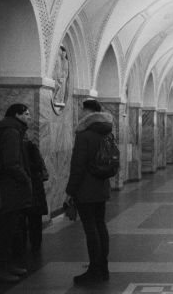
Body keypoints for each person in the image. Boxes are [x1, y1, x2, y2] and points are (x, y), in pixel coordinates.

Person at [65, 99, 113, 285]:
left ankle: (94, 270)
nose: (80, 113)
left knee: (90, 229)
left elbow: (77, 166)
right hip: (101, 187)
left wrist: (70, 191)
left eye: (81, 110)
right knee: (100, 226)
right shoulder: (107, 132)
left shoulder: (84, 135)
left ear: (87, 111)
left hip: (85, 188)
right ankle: (103, 268)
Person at [0, 104, 32, 283]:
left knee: (10, 230)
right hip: (9, 189)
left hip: (9, 188)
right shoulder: (11, 132)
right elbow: (11, 162)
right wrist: (25, 178)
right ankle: (3, 268)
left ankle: (8, 265)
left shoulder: (13, 130)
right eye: (26, 114)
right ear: (16, 115)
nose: (29, 117)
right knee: (6, 230)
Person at [22, 140, 49, 253]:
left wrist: (24, 167)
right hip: (33, 186)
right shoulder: (30, 145)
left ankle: (34, 245)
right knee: (33, 219)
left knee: (32, 218)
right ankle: (34, 244)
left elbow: (37, 164)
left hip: (32, 186)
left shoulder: (29, 146)